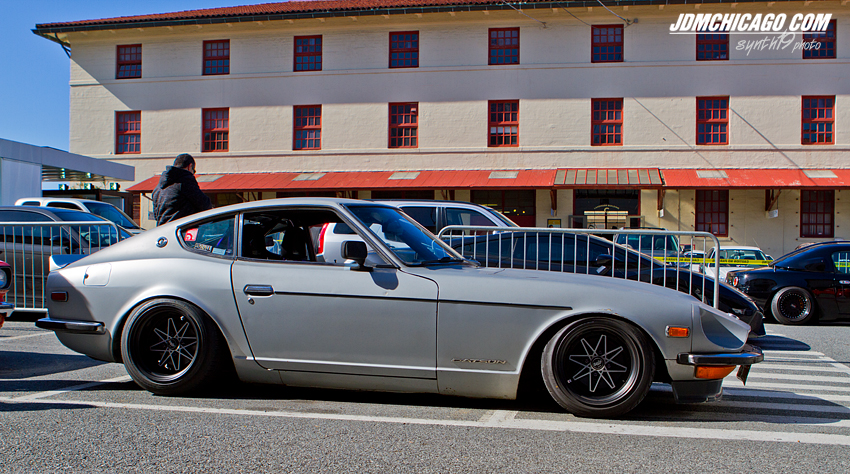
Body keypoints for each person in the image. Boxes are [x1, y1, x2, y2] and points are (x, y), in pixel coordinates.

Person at [152, 153, 212, 226]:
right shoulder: (185, 181)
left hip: (162, 232)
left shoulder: (158, 188)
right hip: (181, 231)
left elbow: (156, 215)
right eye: (194, 170)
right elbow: (205, 205)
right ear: (190, 167)